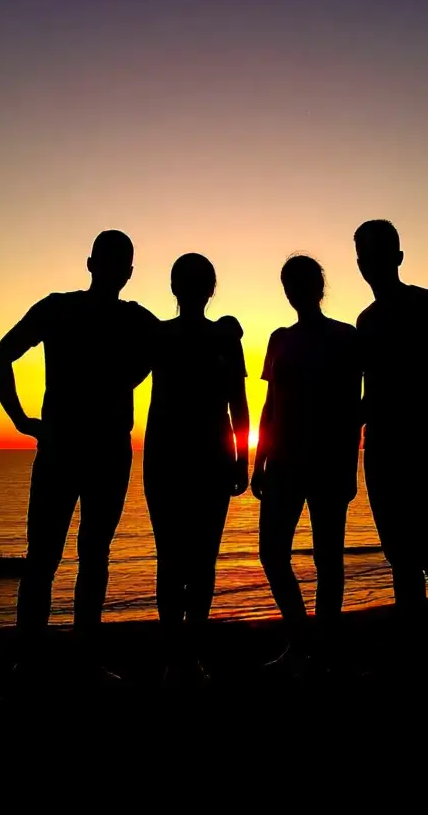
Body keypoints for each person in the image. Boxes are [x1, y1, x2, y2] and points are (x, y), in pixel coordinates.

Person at [0, 230, 157, 687]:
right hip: (75, 450)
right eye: (112, 260)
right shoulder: (71, 309)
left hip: (90, 451)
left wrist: (22, 419)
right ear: (95, 264)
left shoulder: (120, 317)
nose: (114, 269)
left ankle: (59, 664)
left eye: (119, 261)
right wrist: (21, 419)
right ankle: (38, 664)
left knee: (69, 558)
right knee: (54, 559)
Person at [251, 255, 361, 674]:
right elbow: (270, 404)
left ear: (319, 286)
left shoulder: (345, 337)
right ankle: (301, 639)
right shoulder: (278, 338)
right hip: (282, 463)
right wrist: (259, 459)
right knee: (271, 553)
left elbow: (353, 407)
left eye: (302, 280)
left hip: (328, 463)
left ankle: (324, 651)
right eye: (288, 282)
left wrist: (350, 465)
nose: (294, 289)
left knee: (328, 559)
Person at [144, 253, 250, 686]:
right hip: (167, 460)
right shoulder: (158, 335)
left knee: (201, 560)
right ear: (174, 287)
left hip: (210, 459)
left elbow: (239, 402)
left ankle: (188, 655)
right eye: (185, 280)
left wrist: (243, 458)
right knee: (172, 560)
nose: (191, 288)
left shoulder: (226, 337)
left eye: (199, 281)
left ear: (210, 288)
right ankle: (176, 657)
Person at [354, 219, 428, 616]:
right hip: (381, 450)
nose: (370, 263)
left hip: (421, 447)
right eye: (364, 255)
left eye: (378, 253)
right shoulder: (364, 322)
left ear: (398, 257)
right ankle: (415, 647)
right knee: (401, 558)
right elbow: (368, 394)